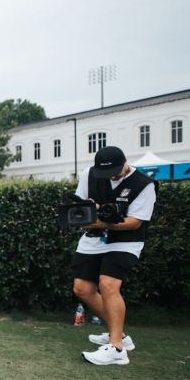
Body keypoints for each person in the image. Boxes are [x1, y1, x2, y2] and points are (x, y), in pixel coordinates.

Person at [74, 145, 158, 366]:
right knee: (82, 289)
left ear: (123, 164)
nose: (109, 176)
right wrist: (85, 215)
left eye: (113, 171)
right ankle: (118, 333)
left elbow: (135, 222)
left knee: (109, 284)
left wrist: (103, 221)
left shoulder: (144, 184)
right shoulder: (88, 174)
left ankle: (117, 349)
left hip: (126, 241)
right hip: (93, 238)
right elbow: (80, 203)